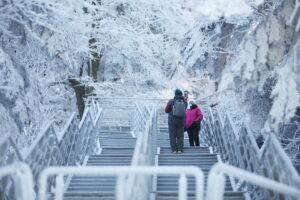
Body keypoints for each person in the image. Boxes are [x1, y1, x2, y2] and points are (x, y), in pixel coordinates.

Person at [164, 89, 187, 154]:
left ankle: (174, 150)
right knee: (180, 136)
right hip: (181, 122)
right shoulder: (184, 102)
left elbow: (166, 110)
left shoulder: (171, 101)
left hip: (172, 122)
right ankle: (180, 150)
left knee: (172, 136)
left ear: (175, 94)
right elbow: (185, 109)